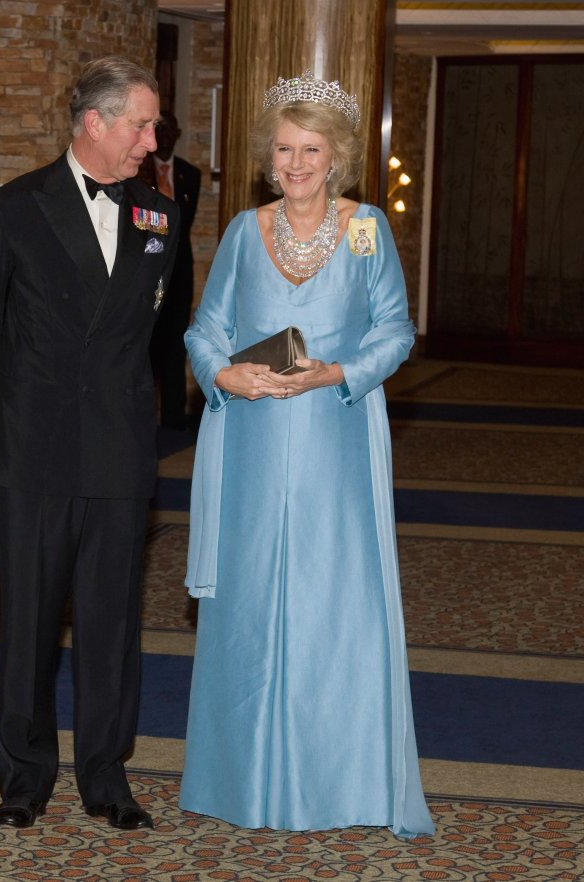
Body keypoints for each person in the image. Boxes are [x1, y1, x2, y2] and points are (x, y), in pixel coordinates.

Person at [178, 70, 435, 838]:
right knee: (251, 603)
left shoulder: (365, 230)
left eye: (311, 150)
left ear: (337, 156)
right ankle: (243, 780)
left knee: (334, 605)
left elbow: (396, 330)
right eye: (284, 149)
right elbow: (202, 331)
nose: (295, 164)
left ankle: (338, 781)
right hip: (251, 444)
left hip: (335, 441)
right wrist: (225, 374)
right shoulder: (242, 232)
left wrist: (339, 373)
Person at [0, 56, 179, 833]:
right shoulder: (14, 208)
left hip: (119, 448)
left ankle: (105, 775)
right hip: (35, 447)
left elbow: (162, 331)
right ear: (95, 123)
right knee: (27, 620)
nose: (153, 140)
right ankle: (23, 776)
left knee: (111, 622)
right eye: (142, 125)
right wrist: (39, 399)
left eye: (153, 126)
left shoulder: (160, 215)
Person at [142, 111, 202, 428]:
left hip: (179, 271)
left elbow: (182, 224)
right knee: (148, 343)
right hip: (146, 267)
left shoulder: (190, 175)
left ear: (177, 135)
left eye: (169, 131)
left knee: (177, 342)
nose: (164, 137)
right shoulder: (138, 173)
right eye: (159, 130)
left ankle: (175, 422)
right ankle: (144, 415)